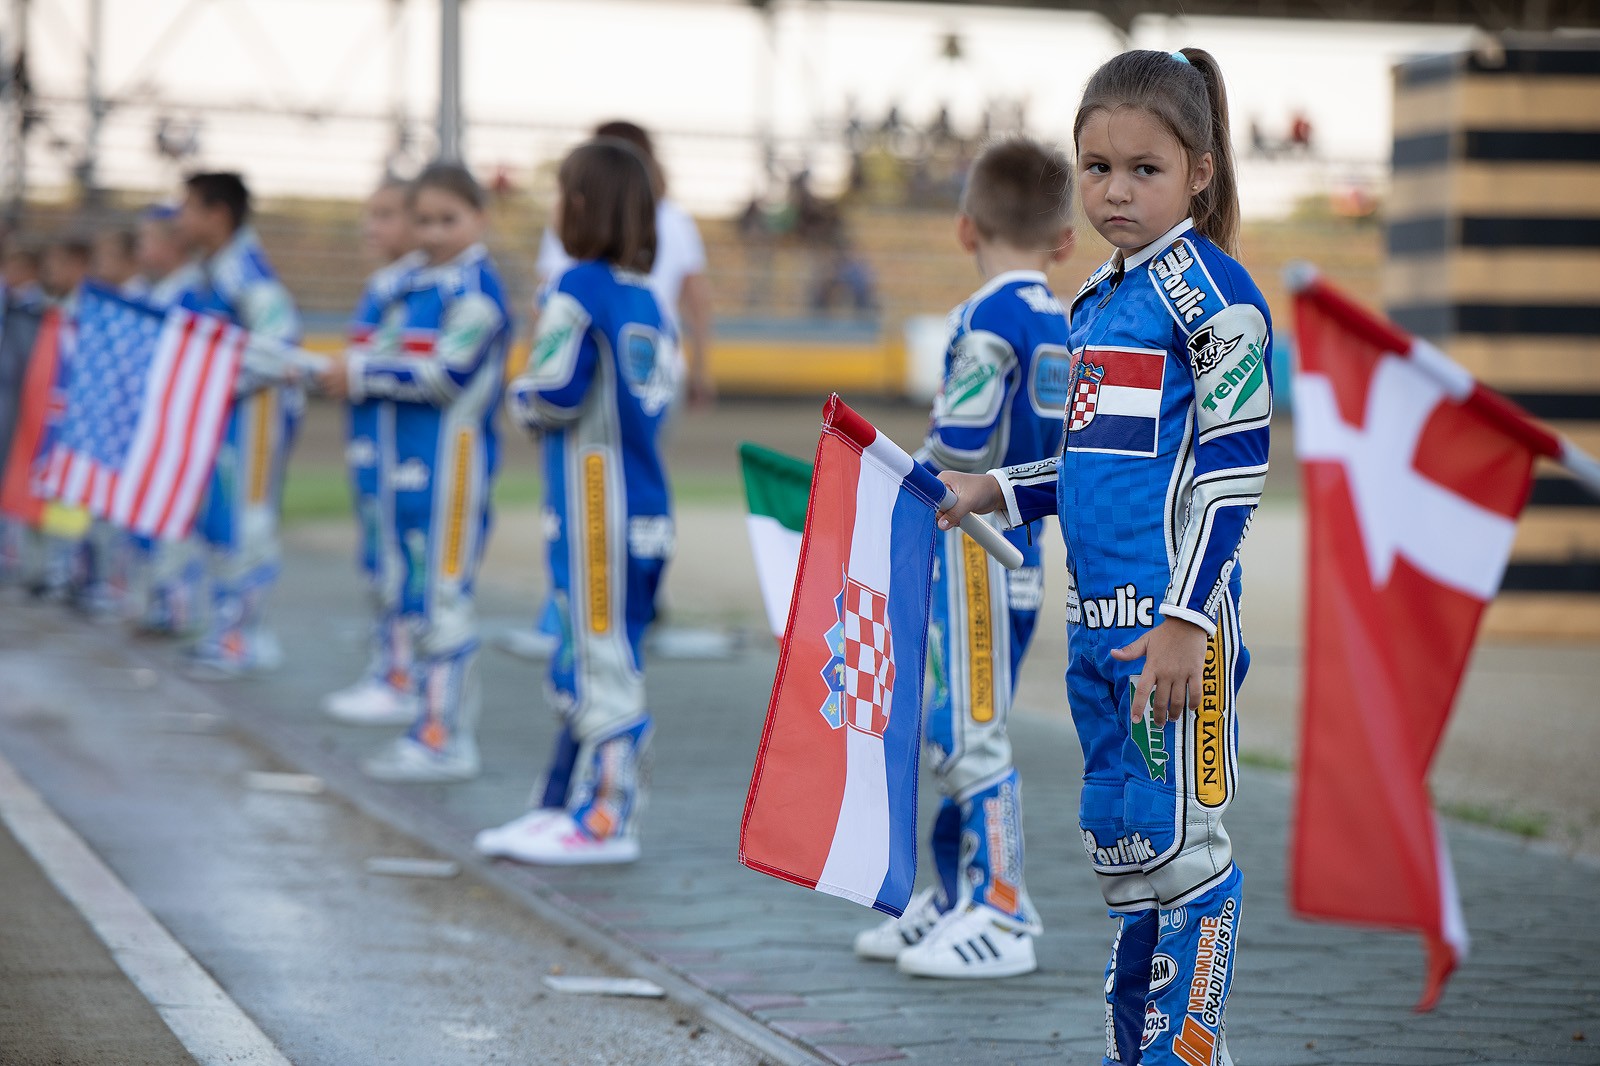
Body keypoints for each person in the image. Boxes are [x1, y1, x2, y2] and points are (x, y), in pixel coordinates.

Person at [936, 49, 1267, 1065]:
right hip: (1097, 631)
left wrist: (1186, 621)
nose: (1114, 190)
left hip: (1174, 637)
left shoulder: (1214, 297)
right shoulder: (1094, 303)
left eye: (1143, 169)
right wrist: (993, 488)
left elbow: (1230, 472)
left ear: (1199, 171)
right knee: (1129, 856)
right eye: (1095, 168)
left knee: (1189, 855)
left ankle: (1186, 1051)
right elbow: (1085, 470)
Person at [851, 137, 1074, 980]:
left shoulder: (985, 319)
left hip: (976, 550)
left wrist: (911, 462)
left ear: (963, 228)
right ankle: (954, 893)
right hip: (1023, 548)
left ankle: (1004, 910)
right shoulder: (1064, 316)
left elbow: (961, 440)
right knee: (961, 724)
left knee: (967, 732)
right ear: (1065, 239)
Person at [477, 137, 677, 864]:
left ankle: (607, 817)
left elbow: (553, 391)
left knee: (598, 664)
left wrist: (518, 393)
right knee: (597, 657)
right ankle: (560, 803)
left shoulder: (576, 288)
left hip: (597, 507)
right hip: (645, 506)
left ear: (581, 206)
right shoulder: (645, 295)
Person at [317, 163, 511, 782]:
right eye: (422, 219)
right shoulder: (409, 284)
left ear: (480, 218)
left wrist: (367, 373)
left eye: (447, 219)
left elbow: (446, 375)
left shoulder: (475, 292)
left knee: (441, 598)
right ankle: (422, 719)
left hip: (452, 472)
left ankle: (444, 738)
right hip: (402, 466)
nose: (431, 231)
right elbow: (370, 349)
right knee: (407, 591)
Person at [175, 172, 303, 677]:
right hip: (222, 422)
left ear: (217, 214)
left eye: (187, 207)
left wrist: (217, 380)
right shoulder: (209, 272)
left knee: (248, 523)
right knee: (219, 522)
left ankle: (245, 636)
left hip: (255, 420)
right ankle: (225, 627)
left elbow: (280, 346)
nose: (180, 217)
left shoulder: (246, 276)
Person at [321, 178, 427, 726]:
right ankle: (388, 669)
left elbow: (404, 362)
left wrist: (356, 369)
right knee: (378, 560)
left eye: (385, 215)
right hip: (371, 447)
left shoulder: (423, 288)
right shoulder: (384, 285)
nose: (372, 226)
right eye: (370, 214)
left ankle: (405, 680)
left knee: (408, 567)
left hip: (409, 455)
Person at [125, 204, 205, 635]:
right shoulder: (149, 292)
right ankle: (153, 598)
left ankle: (176, 606)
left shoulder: (191, 293)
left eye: (147, 240)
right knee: (145, 518)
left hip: (177, 430)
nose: (140, 250)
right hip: (149, 427)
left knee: (175, 520)